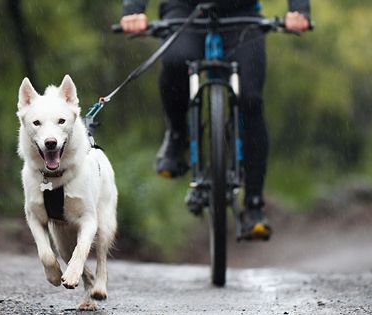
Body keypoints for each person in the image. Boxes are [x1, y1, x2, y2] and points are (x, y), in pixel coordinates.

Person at [120, 0, 310, 239]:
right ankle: (177, 136)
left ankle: (254, 205)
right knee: (176, 62)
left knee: (251, 100)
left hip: (242, 14)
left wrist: (299, 10)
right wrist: (133, 11)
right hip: (184, 10)